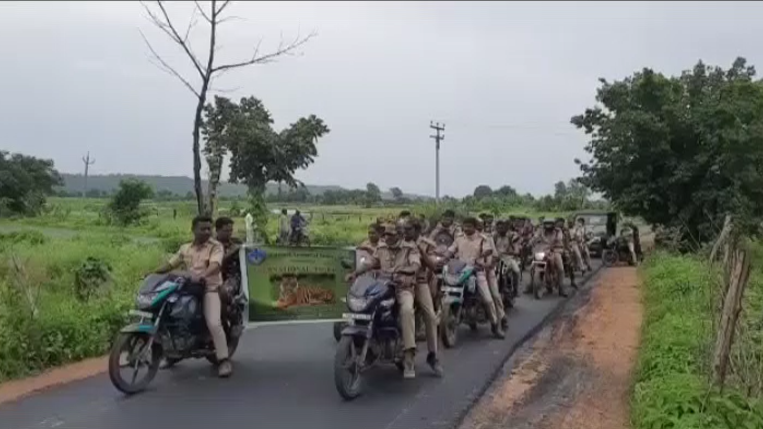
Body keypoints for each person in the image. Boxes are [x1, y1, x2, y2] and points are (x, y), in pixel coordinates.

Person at [154, 215, 232, 377]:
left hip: (209, 288)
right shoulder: (185, 248)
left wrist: (203, 275)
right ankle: (171, 354)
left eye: (209, 229)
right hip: (187, 288)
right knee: (169, 316)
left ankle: (224, 360)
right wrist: (153, 273)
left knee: (214, 322)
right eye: (202, 228)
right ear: (193, 230)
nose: (206, 232)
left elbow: (215, 265)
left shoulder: (215, 246)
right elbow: (171, 264)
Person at [346, 224, 421, 379]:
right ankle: (367, 345)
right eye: (385, 234)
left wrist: (407, 270)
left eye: (390, 234)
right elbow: (370, 263)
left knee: (407, 310)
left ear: (399, 235)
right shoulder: (381, 248)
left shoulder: (409, 248)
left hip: (402, 288)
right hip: (382, 287)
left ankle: (409, 356)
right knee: (365, 305)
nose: (386, 237)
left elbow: (415, 264)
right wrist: (354, 273)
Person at [442, 217, 505, 339]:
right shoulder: (459, 238)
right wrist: (445, 256)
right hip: (460, 270)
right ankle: (442, 318)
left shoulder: (483, 239)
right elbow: (451, 250)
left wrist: (481, 257)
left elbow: (488, 250)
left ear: (475, 227)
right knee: (445, 290)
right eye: (465, 226)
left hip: (477, 271)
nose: (467, 228)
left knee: (488, 299)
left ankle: (495, 325)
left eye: (469, 226)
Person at [403, 218, 444, 377]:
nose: (405, 233)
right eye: (404, 229)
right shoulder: (399, 242)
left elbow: (433, 266)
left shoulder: (427, 244)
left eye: (409, 230)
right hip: (401, 283)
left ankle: (432, 356)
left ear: (417, 231)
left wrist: (421, 250)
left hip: (420, 282)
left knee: (430, 316)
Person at [476, 218, 507, 329]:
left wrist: (490, 266)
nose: (477, 227)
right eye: (476, 225)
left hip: (487, 269)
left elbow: (495, 255)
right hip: (471, 270)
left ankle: (501, 317)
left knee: (494, 294)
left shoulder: (488, 238)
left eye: (480, 225)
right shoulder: (464, 238)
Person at [532, 220, 568, 297]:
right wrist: (531, 242)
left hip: (555, 250)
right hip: (543, 251)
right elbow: (534, 237)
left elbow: (560, 238)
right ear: (544, 224)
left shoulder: (558, 231)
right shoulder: (540, 230)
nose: (548, 226)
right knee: (533, 267)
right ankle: (532, 286)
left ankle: (561, 288)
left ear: (553, 225)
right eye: (546, 224)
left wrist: (557, 243)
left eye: (550, 224)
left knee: (560, 268)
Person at [215, 217, 243, 306]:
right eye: (226, 231)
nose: (229, 233)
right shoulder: (212, 245)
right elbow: (217, 263)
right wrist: (232, 252)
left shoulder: (237, 242)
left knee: (225, 291)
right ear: (217, 230)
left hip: (234, 277)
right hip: (217, 276)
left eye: (231, 230)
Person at [494, 219, 522, 297]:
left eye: (502, 227)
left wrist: (515, 251)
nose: (500, 229)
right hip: (496, 259)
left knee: (516, 271)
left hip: (508, 258)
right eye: (498, 227)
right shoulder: (494, 236)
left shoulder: (512, 236)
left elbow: (516, 247)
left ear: (507, 227)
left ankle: (515, 290)